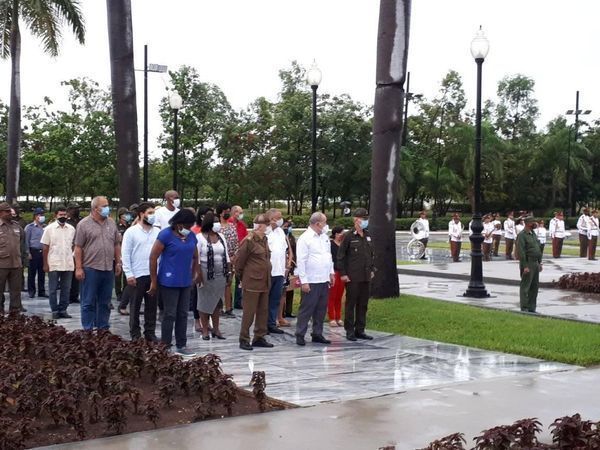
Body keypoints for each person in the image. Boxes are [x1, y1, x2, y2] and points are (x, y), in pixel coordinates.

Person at [148, 209, 199, 356]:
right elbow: (153, 257)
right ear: (179, 224)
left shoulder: (191, 237)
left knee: (183, 314)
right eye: (187, 226)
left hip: (185, 281)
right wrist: (153, 280)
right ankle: (165, 345)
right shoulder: (165, 235)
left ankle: (181, 344)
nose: (189, 229)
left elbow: (195, 256)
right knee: (169, 314)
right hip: (169, 281)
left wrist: (193, 274)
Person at [74, 197, 122, 330]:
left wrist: (118, 262)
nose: (108, 208)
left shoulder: (111, 223)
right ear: (95, 208)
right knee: (88, 302)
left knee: (105, 302)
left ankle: (103, 329)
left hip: (108, 269)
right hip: (90, 269)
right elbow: (78, 247)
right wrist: (78, 268)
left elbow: (116, 243)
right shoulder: (83, 224)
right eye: (105, 206)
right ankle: (88, 330)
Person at [235, 214, 274, 351]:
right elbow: (239, 261)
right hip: (252, 281)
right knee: (249, 312)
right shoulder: (249, 240)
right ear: (260, 226)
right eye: (267, 225)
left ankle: (259, 337)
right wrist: (241, 277)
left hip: (264, 281)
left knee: (263, 311)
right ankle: (244, 338)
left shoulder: (264, 239)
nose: (269, 227)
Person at [295, 212, 334, 346]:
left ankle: (317, 333)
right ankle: (300, 333)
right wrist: (304, 281)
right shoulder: (305, 238)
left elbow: (328, 256)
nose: (326, 225)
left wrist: (331, 272)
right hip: (311, 279)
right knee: (307, 308)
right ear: (318, 224)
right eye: (324, 222)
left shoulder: (324, 237)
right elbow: (301, 261)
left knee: (321, 309)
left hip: (323, 278)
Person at [121, 202, 160, 342]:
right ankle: (135, 334)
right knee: (135, 306)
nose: (152, 216)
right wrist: (129, 273)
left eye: (153, 213)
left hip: (153, 274)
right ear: (141, 214)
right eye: (149, 213)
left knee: (151, 306)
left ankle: (150, 332)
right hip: (137, 274)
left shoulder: (157, 232)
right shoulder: (131, 232)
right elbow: (125, 254)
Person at [337, 208, 375, 342]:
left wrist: (372, 269)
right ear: (356, 219)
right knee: (351, 303)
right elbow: (341, 256)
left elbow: (371, 255)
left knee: (363, 304)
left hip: (365, 276)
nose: (365, 221)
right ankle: (350, 330)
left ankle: (360, 329)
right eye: (363, 218)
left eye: (366, 218)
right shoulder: (348, 236)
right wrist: (343, 274)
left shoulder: (368, 235)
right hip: (352, 276)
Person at [196, 212, 230, 340]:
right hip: (205, 273)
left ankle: (216, 329)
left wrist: (229, 273)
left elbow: (225, 255)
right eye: (215, 221)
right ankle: (205, 330)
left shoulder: (221, 236)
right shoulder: (200, 238)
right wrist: (198, 274)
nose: (218, 224)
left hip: (220, 272)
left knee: (217, 302)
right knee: (204, 302)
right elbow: (197, 258)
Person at [41, 205, 75, 319]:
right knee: (53, 289)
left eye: (65, 215)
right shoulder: (49, 229)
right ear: (56, 215)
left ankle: (63, 309)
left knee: (66, 288)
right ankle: (55, 310)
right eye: (60, 215)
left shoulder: (71, 229)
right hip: (54, 263)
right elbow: (45, 247)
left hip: (68, 263)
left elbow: (74, 246)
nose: (63, 216)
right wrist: (45, 264)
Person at [266, 208, 291, 335]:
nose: (281, 220)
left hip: (280, 271)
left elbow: (285, 250)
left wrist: (286, 267)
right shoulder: (265, 232)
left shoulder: (281, 232)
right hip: (267, 272)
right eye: (278, 217)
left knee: (275, 298)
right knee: (265, 299)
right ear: (271, 219)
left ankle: (271, 323)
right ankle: (262, 324)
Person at [0, 202, 26, 314]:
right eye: (7, 211)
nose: (10, 213)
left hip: (16, 264)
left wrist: (23, 260)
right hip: (2, 264)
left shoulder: (17, 226)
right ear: (1, 213)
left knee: (16, 291)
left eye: (10, 211)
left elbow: (22, 244)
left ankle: (15, 312)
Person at [517, 216, 543, 313]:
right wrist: (525, 266)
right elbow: (521, 252)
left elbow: (537, 248)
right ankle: (524, 307)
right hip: (528, 263)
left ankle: (532, 308)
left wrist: (540, 262)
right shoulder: (522, 235)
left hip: (535, 263)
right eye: (533, 222)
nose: (535, 223)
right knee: (525, 287)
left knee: (534, 287)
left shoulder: (533, 234)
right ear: (527, 223)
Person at [216, 203, 237, 317]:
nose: (228, 213)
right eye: (226, 211)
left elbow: (235, 242)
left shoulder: (232, 226)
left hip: (230, 258)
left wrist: (234, 256)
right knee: (219, 283)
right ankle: (218, 308)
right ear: (220, 213)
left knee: (228, 283)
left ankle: (228, 308)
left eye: (229, 211)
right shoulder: (216, 227)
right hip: (218, 258)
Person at [25, 207, 47, 298]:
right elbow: (26, 240)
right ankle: (31, 291)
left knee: (42, 273)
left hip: (43, 251)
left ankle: (41, 291)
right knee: (32, 273)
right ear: (35, 216)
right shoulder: (29, 227)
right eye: (39, 215)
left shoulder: (45, 227)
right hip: (33, 251)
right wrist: (28, 252)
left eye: (42, 215)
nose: (41, 216)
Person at [228, 205, 247, 309]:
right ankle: (228, 303)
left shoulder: (242, 225)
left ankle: (238, 302)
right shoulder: (228, 224)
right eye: (239, 212)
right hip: (230, 255)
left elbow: (245, 238)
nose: (241, 214)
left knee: (239, 279)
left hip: (240, 255)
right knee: (229, 280)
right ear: (234, 212)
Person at [115, 207, 134, 315]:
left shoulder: (131, 227)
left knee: (127, 279)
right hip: (120, 254)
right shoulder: (117, 227)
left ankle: (125, 297)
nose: (128, 217)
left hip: (130, 256)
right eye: (125, 215)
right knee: (118, 276)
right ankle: (119, 294)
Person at [327, 226, 346, 327]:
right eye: (339, 233)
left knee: (339, 295)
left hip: (342, 272)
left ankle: (338, 317)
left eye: (342, 233)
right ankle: (332, 318)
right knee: (332, 296)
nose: (341, 235)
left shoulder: (344, 245)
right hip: (333, 271)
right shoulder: (330, 244)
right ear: (335, 234)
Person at [66, 202, 82, 304]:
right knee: (69, 275)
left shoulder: (81, 221)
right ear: (70, 210)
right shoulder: (67, 222)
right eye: (74, 209)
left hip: (79, 250)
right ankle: (68, 296)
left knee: (77, 275)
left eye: (78, 208)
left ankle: (75, 295)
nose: (77, 210)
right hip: (69, 250)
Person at [282, 217, 297, 319]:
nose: (288, 228)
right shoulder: (280, 236)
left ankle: (288, 311)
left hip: (291, 265)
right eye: (286, 226)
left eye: (289, 226)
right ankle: (281, 311)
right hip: (282, 265)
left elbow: (294, 250)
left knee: (291, 288)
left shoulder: (291, 237)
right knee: (282, 290)